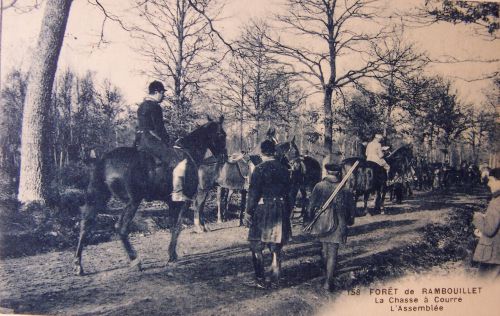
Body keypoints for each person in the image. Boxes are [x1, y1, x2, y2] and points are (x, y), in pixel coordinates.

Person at [243, 140, 292, 289]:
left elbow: (253, 194)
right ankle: (276, 278)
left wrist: (248, 212)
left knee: (256, 244)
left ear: (262, 152)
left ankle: (260, 279)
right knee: (276, 244)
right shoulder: (284, 169)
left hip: (263, 209)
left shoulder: (259, 169)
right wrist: (287, 212)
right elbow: (290, 193)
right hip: (281, 208)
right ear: (274, 152)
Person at [305, 153, 356, 291]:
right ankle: (328, 282)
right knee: (333, 252)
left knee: (324, 248)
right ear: (339, 172)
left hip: (322, 222)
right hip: (339, 223)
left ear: (327, 171)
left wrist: (310, 218)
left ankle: (325, 274)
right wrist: (350, 221)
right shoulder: (345, 189)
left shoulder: (319, 186)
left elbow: (310, 207)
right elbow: (352, 211)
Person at [135, 80, 188, 202]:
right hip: (151, 141)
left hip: (140, 141)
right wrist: (168, 142)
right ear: (156, 92)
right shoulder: (155, 107)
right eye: (162, 93)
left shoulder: (142, 106)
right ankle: (177, 193)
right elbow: (159, 128)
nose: (163, 96)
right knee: (178, 161)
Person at [472, 168, 500, 279]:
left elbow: (489, 229)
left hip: (493, 254)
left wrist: (478, 217)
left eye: (491, 180)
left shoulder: (496, 202)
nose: (488, 184)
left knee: (483, 287)